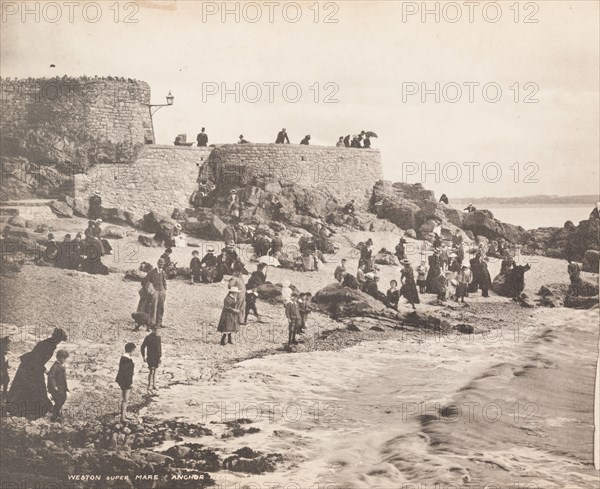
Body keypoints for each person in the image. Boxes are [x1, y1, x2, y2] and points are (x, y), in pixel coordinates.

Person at [7, 328, 67, 419]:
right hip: (30, 368)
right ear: (56, 338)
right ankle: (25, 410)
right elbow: (37, 360)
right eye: (59, 340)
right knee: (32, 387)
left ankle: (22, 408)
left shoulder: (46, 342)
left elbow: (37, 360)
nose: (59, 342)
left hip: (30, 366)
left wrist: (42, 369)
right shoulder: (50, 346)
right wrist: (45, 370)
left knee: (28, 387)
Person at [116, 342, 136, 422]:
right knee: (125, 399)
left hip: (122, 380)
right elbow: (128, 374)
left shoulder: (124, 358)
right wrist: (130, 383)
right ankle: (123, 417)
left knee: (124, 399)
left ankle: (124, 414)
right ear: (131, 350)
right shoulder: (127, 360)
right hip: (126, 381)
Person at [47, 350, 69, 422]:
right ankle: (54, 417)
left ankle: (55, 411)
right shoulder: (55, 366)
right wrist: (54, 386)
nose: (65, 360)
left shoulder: (61, 366)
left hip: (62, 388)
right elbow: (50, 376)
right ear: (58, 358)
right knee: (58, 401)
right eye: (63, 358)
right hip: (56, 388)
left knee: (63, 399)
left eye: (65, 358)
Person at [146, 258, 168, 327]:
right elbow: (146, 281)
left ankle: (159, 322)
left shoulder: (164, 272)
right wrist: (149, 288)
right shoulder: (152, 272)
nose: (161, 266)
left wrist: (164, 289)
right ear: (157, 263)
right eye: (160, 264)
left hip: (162, 291)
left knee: (161, 307)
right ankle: (152, 322)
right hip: (154, 290)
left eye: (162, 264)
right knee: (153, 306)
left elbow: (164, 281)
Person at [141, 325, 162, 393]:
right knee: (151, 371)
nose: (158, 332)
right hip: (150, 357)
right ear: (153, 330)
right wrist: (143, 356)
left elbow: (159, 348)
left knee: (155, 370)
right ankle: (149, 385)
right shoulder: (148, 338)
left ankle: (154, 385)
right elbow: (142, 347)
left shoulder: (158, 337)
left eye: (159, 331)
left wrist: (160, 357)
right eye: (157, 331)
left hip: (157, 357)